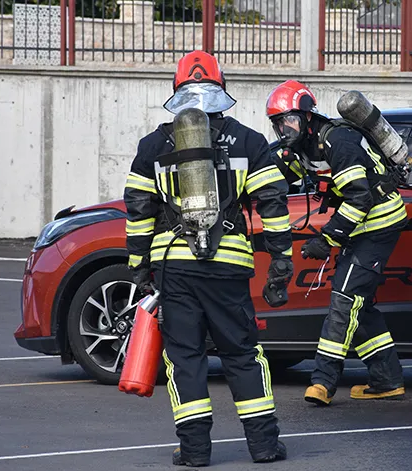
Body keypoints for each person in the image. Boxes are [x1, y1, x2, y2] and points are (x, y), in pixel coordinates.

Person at [123, 51, 292, 466]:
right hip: (228, 266)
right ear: (222, 88)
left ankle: (196, 452)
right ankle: (264, 446)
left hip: (174, 267)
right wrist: (280, 262)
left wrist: (139, 269)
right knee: (242, 354)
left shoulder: (154, 145)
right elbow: (273, 204)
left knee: (185, 358)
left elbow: (138, 211)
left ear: (176, 90)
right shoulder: (250, 141)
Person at [264, 79, 407, 406]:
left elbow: (360, 198)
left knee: (344, 300)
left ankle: (323, 381)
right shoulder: (301, 148)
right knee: (360, 304)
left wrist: (326, 240)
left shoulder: (338, 142)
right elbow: (273, 174)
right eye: (278, 124)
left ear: (306, 115)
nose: (284, 129)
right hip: (359, 228)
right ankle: (387, 379)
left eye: (288, 120)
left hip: (378, 224)